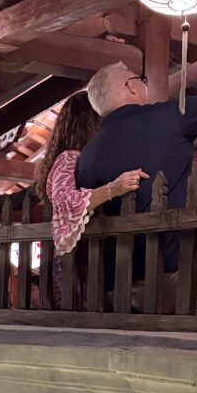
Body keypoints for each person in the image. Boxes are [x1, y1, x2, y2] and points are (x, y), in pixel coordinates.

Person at [76, 62, 197, 304]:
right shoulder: (168, 116)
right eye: (142, 80)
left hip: (117, 282)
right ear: (131, 87)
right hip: (176, 268)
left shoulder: (86, 156)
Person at [36, 91, 147, 307]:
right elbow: (66, 202)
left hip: (89, 258)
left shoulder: (78, 158)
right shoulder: (68, 157)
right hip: (77, 261)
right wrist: (113, 189)